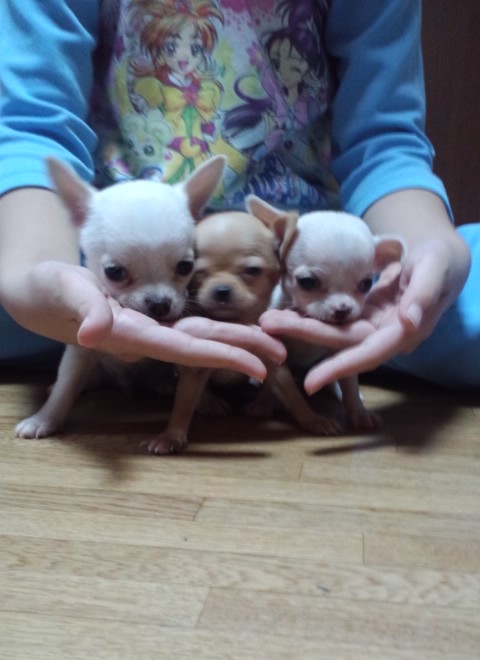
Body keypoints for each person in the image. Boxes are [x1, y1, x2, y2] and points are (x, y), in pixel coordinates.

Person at [0, 0, 477, 393]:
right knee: (24, 291)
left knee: (440, 296)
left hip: (304, 274)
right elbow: (34, 131)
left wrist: (426, 256)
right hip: (96, 268)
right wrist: (35, 278)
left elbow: (383, 144)